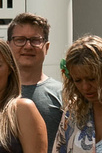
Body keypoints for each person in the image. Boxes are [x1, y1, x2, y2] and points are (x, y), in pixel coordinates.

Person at [7, 12, 66, 140]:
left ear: (47, 47)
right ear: (8, 46)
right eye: (20, 40)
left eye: (35, 40)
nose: (28, 46)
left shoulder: (62, 94)